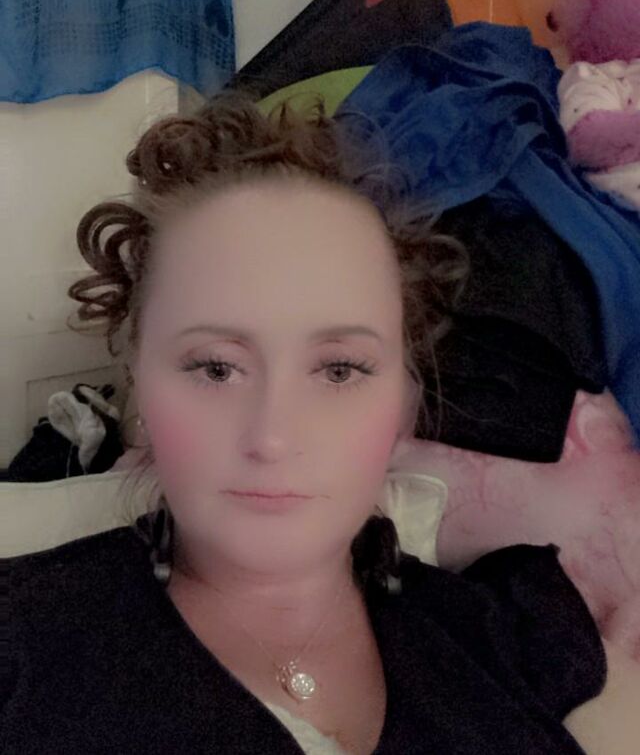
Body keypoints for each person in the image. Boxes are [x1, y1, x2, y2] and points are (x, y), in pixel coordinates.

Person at [3, 92, 640, 755]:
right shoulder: (20, 647)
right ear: (138, 374)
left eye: (339, 370)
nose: (273, 437)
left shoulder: (517, 638)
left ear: (405, 396)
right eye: (216, 368)